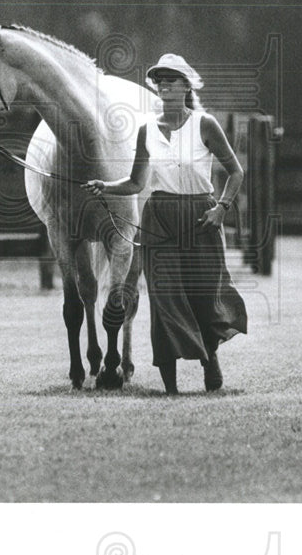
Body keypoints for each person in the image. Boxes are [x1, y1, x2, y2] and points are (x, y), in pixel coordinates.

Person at [83, 53, 248, 394]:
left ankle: (210, 359)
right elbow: (135, 182)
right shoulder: (147, 130)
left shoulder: (205, 125)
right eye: (160, 80)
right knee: (165, 299)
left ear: (187, 85)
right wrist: (106, 186)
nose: (165, 86)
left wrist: (222, 208)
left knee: (204, 294)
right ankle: (169, 384)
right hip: (159, 217)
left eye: (172, 80)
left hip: (202, 216)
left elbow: (236, 171)